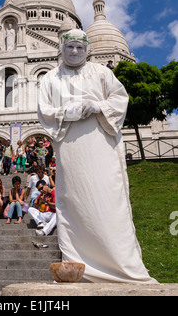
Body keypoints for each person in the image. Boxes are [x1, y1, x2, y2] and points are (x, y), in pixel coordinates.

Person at [38, 27, 158, 284]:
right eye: (70, 47)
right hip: (70, 149)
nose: (74, 51)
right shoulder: (49, 78)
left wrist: (98, 106)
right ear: (61, 47)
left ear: (88, 50)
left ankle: (121, 265)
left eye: (80, 48)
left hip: (101, 144)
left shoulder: (102, 73)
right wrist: (69, 112)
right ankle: (78, 266)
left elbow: (120, 99)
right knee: (74, 201)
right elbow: (44, 111)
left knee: (108, 200)